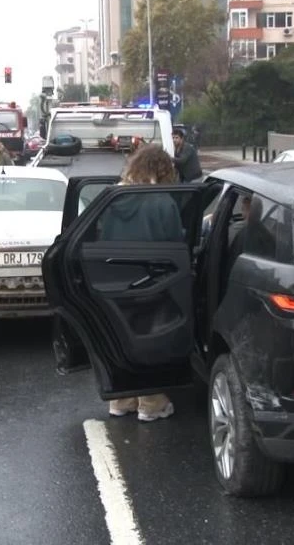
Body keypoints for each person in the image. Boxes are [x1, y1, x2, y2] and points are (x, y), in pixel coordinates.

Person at [101, 144, 182, 422]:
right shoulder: (161, 201)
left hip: (115, 281)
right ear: (163, 171)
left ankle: (121, 400)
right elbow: (175, 243)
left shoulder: (113, 196)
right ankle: (151, 403)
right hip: (151, 282)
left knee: (122, 340)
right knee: (150, 342)